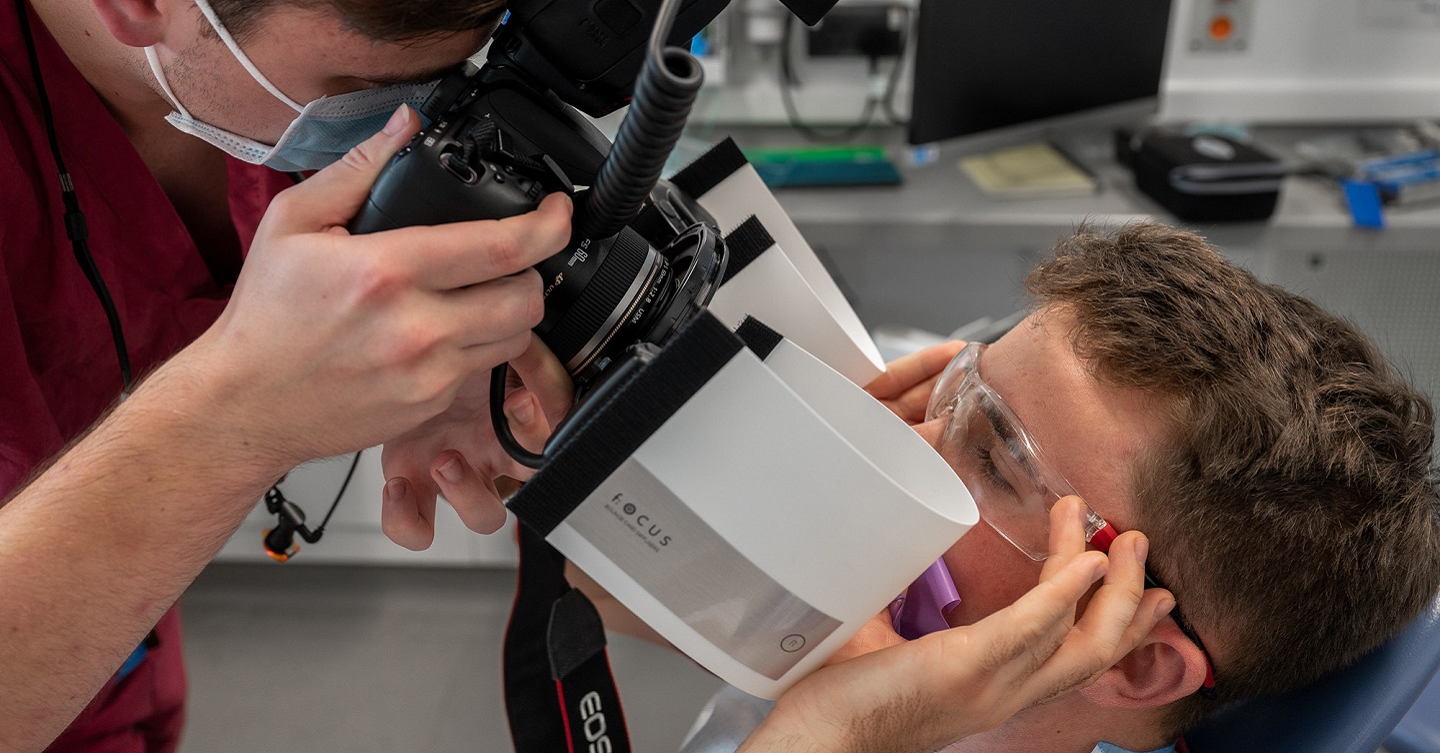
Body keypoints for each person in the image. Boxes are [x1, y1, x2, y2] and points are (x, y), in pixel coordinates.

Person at [0, 0, 612, 749]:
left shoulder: (242, 45)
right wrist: (235, 414)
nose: (410, 121)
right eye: (361, 92)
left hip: (113, 669)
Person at [579, 222, 1440, 753]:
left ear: (1131, 655)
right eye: (954, 392)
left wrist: (843, 731)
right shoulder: (884, 627)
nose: (906, 444)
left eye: (995, 462)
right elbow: (597, 590)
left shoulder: (861, 708)